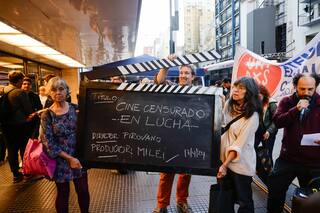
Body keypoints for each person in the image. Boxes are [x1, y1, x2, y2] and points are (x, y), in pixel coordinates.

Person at [267, 73, 320, 213]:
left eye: (310, 89)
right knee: (275, 192)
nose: (306, 92)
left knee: (311, 201)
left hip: (313, 163)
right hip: (288, 159)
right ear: (295, 87)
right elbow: (278, 121)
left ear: (316, 87)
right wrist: (295, 110)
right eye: (302, 89)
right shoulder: (286, 102)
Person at [152, 55, 195, 213]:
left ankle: (181, 201)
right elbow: (159, 81)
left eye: (186, 73)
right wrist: (166, 65)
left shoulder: (200, 93)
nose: (183, 75)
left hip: (189, 138)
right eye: (181, 72)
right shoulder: (170, 87)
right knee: (166, 173)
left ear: (192, 76)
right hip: (169, 137)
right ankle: (162, 204)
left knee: (186, 173)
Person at [40, 77, 90, 213]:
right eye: (54, 90)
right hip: (61, 160)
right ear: (49, 93)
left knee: (83, 190)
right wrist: (69, 159)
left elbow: (87, 130)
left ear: (67, 91)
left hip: (79, 156)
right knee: (63, 193)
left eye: (61, 89)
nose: (58, 92)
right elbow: (48, 143)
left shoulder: (76, 109)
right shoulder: (47, 115)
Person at [217, 76, 261, 213]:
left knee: (244, 201)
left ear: (249, 92)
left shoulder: (253, 116)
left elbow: (239, 144)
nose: (235, 90)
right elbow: (221, 125)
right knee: (225, 198)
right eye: (235, 86)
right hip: (224, 160)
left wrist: (224, 165)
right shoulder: (230, 104)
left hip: (241, 165)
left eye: (241, 88)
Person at [0, 71, 33, 183]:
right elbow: (28, 109)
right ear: (19, 81)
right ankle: (26, 170)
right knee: (24, 148)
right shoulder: (20, 93)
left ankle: (15, 174)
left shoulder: (3, 90)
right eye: (22, 81)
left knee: (11, 149)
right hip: (20, 125)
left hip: (5, 125)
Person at [254, 84, 278, 184]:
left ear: (264, 95)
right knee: (252, 150)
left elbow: (276, 120)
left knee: (268, 153)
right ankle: (258, 170)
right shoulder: (253, 103)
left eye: (259, 96)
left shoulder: (271, 104)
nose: (258, 99)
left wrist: (269, 131)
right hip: (257, 132)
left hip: (269, 132)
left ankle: (271, 176)